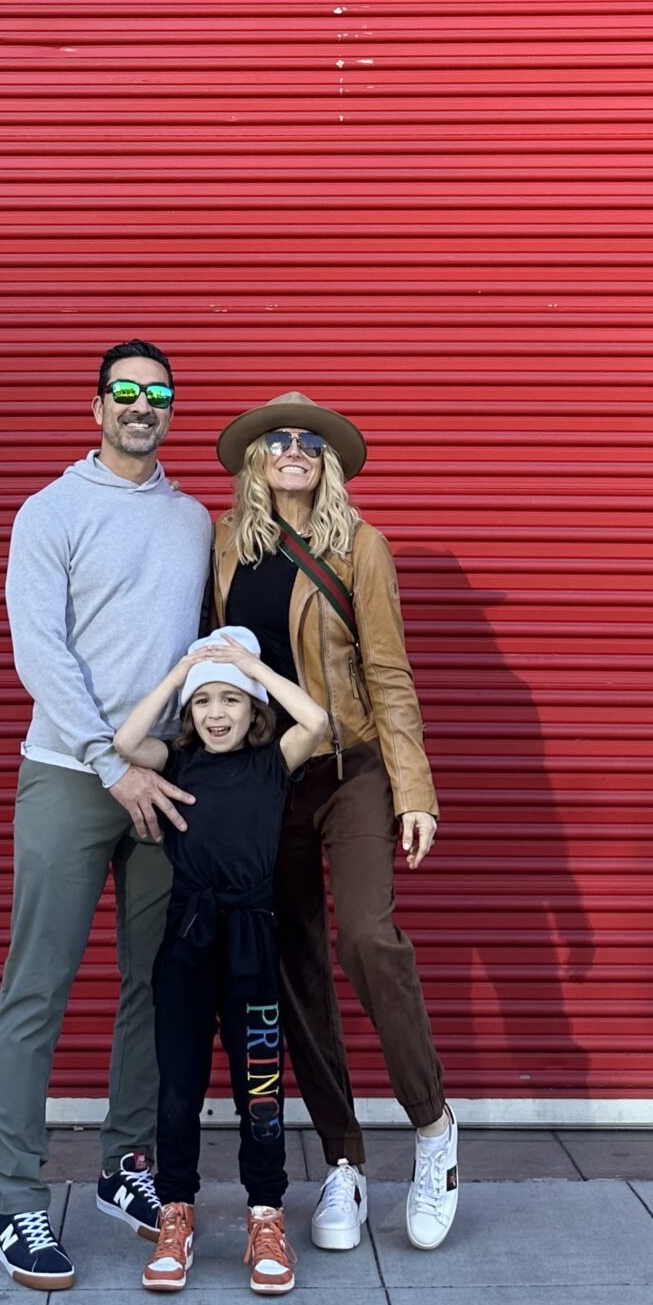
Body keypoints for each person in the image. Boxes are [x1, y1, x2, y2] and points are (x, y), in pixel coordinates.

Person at [0, 341, 213, 1291]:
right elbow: (38, 650)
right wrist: (101, 759)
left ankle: (127, 1165)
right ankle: (14, 1202)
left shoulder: (196, 518)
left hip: (162, 783)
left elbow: (208, 646)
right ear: (95, 408)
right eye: (124, 391)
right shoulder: (51, 511)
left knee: (153, 986)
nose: (140, 405)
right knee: (37, 987)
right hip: (69, 778)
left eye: (157, 394)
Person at [212, 392, 460, 1253]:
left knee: (365, 936)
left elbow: (387, 671)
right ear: (255, 460)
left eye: (306, 441)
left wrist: (413, 787)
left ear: (326, 463)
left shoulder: (361, 547)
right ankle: (343, 1161)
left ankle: (432, 1130)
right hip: (266, 778)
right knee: (293, 966)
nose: (290, 449)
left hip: (349, 770)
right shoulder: (221, 546)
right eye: (276, 440)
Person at [112, 626, 330, 1295]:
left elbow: (317, 719)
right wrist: (182, 671)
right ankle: (177, 1213)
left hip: (252, 943)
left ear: (252, 708)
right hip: (186, 941)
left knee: (259, 1090)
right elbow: (124, 742)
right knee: (177, 1091)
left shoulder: (272, 763)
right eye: (203, 702)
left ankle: (265, 1215)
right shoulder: (176, 761)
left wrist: (242, 664)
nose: (214, 712)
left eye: (229, 701)